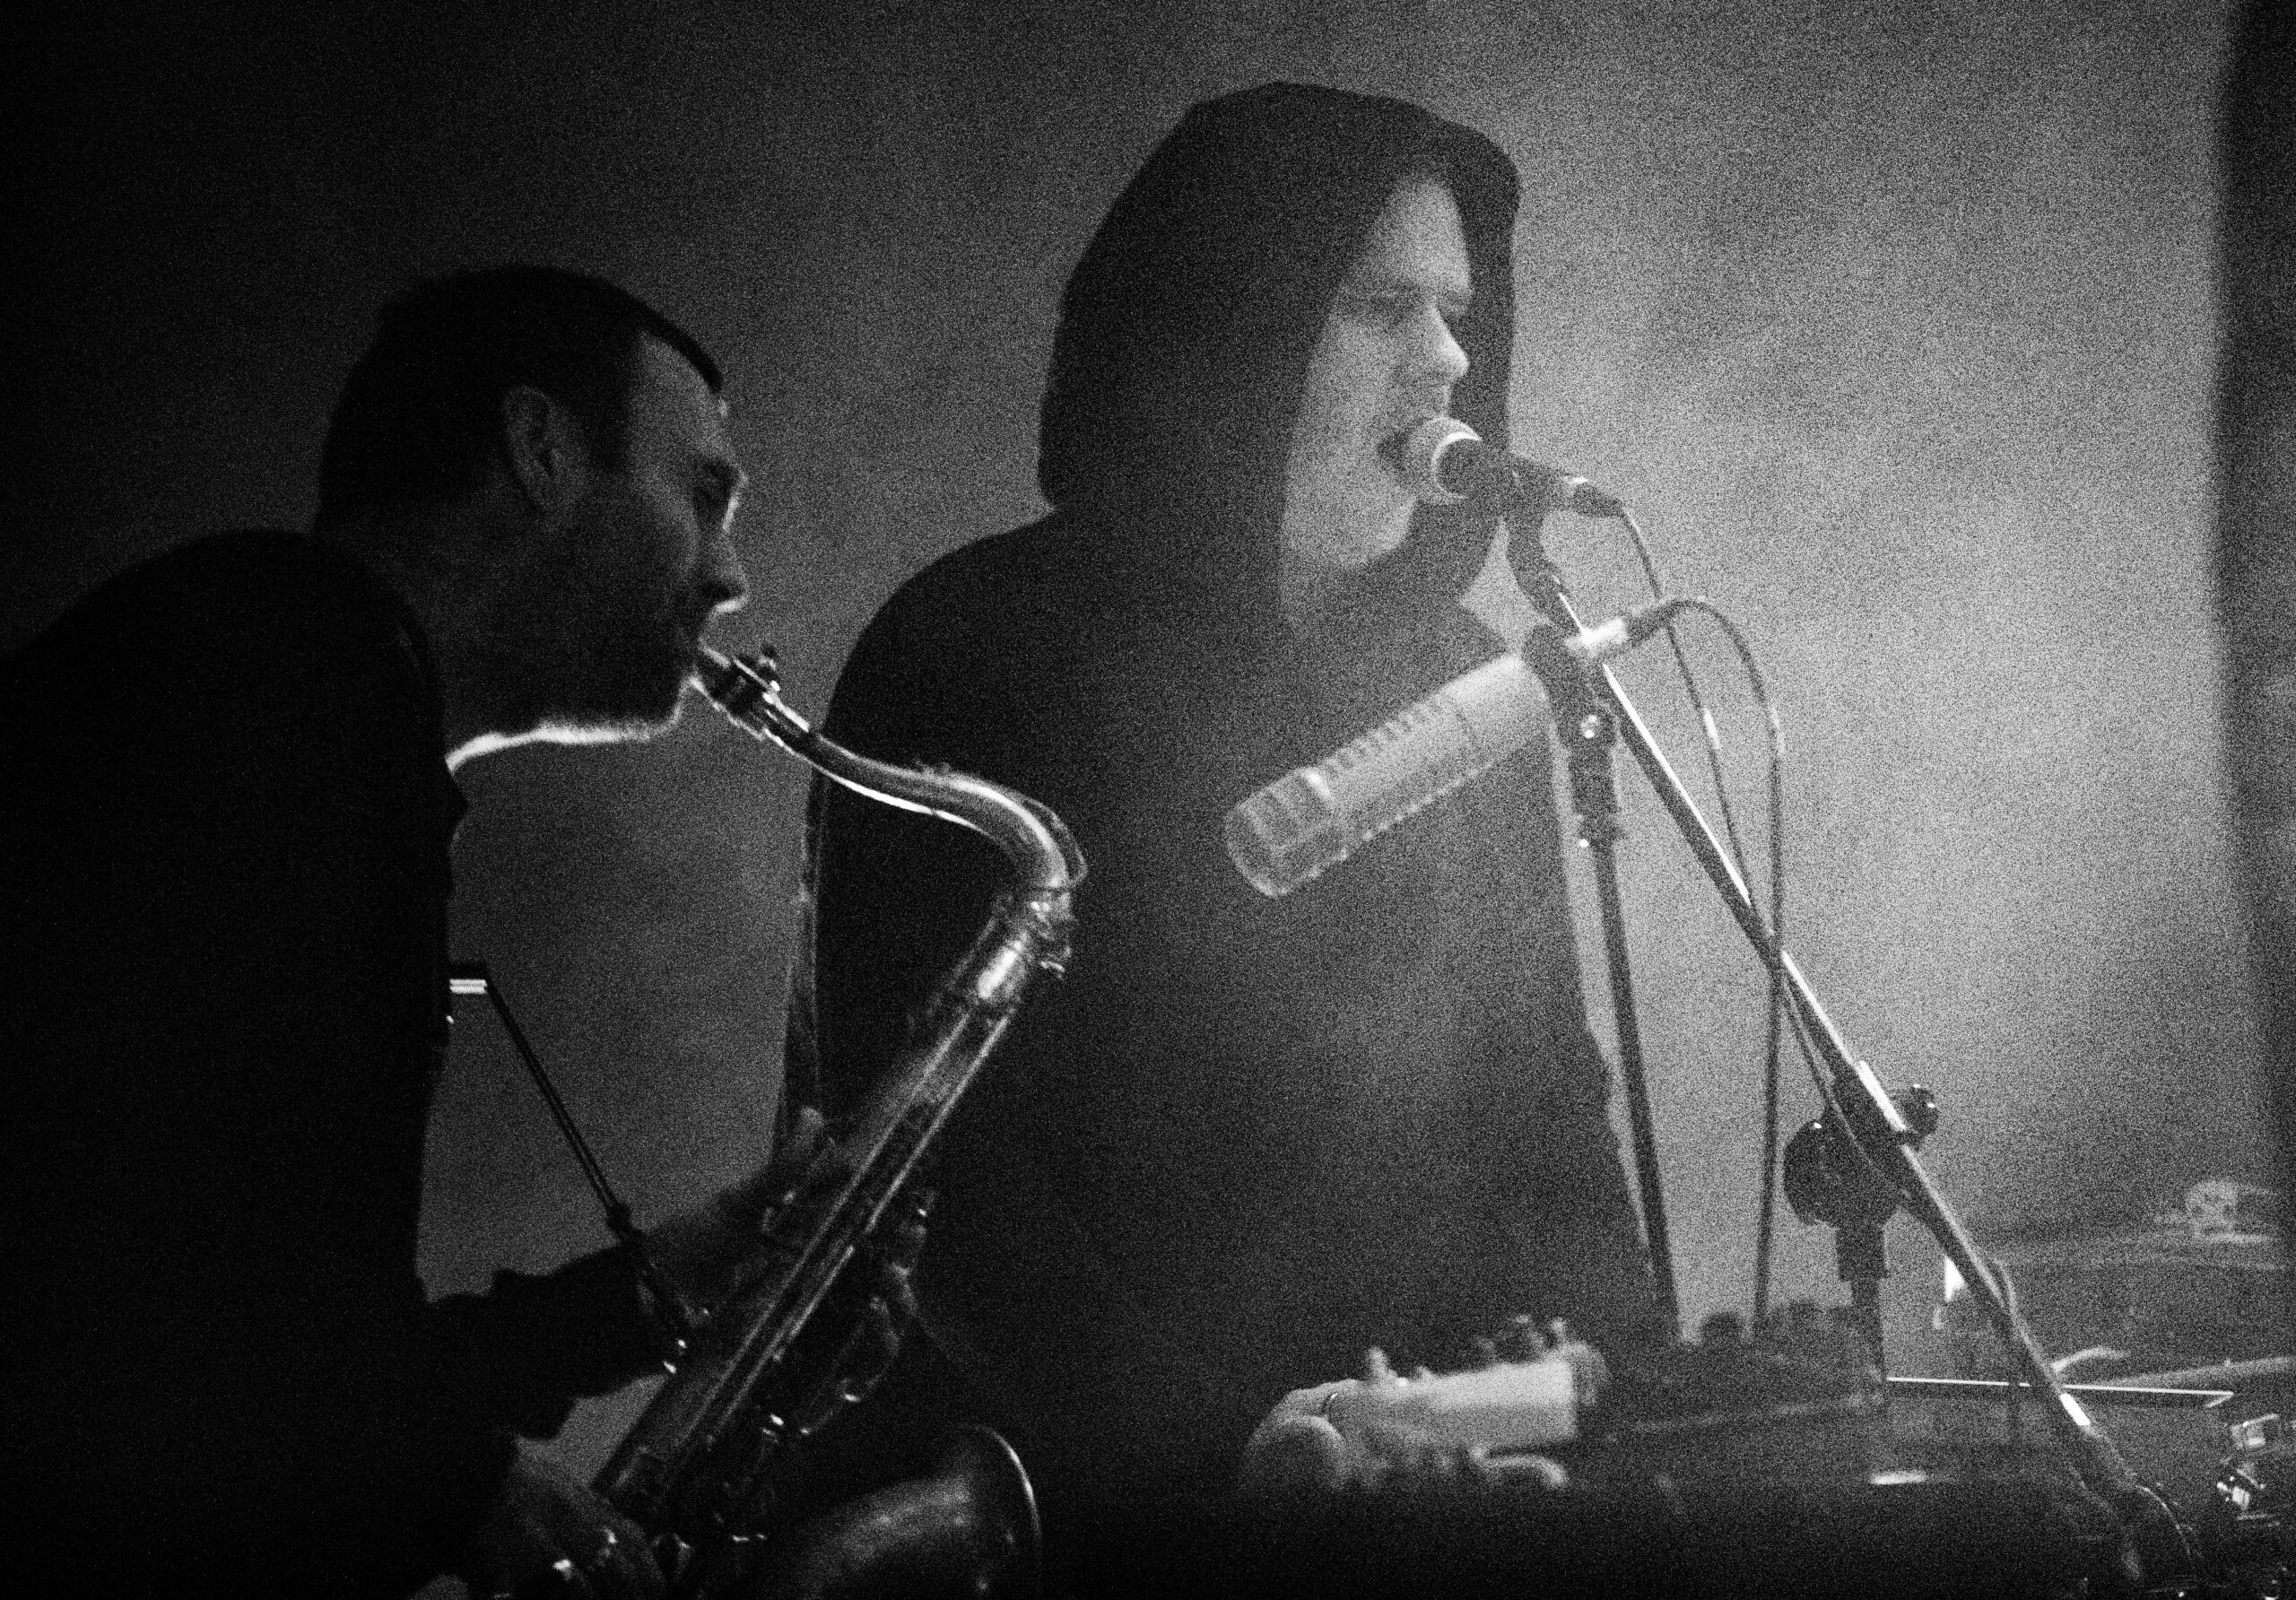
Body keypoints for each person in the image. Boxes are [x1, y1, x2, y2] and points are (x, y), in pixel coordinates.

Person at [787, 83, 1657, 1576]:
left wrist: (1607, 1382)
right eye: (1380, 307)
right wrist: (1207, 1460)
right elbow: (940, 1170)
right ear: (1229, 333)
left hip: (1426, 1508)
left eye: (1459, 312)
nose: (1448, 357)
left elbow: (1543, 1094)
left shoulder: (1464, 675)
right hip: (1073, 1524)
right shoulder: (971, 646)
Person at [2, 267, 783, 1596]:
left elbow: (292, 1347)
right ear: (538, 448)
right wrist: (462, 1485)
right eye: (703, 495)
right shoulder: (275, 665)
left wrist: (680, 1275)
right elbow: (122, 1295)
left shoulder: (310, 678)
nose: (730, 577)